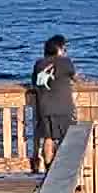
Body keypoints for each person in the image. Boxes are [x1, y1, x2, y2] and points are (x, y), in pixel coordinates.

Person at [29, 34, 79, 172]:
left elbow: (34, 83)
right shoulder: (66, 62)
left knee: (48, 138)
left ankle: (49, 168)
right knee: (66, 138)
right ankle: (64, 168)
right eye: (64, 48)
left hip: (44, 108)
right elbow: (76, 78)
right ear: (59, 48)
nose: (65, 51)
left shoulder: (39, 64)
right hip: (63, 106)